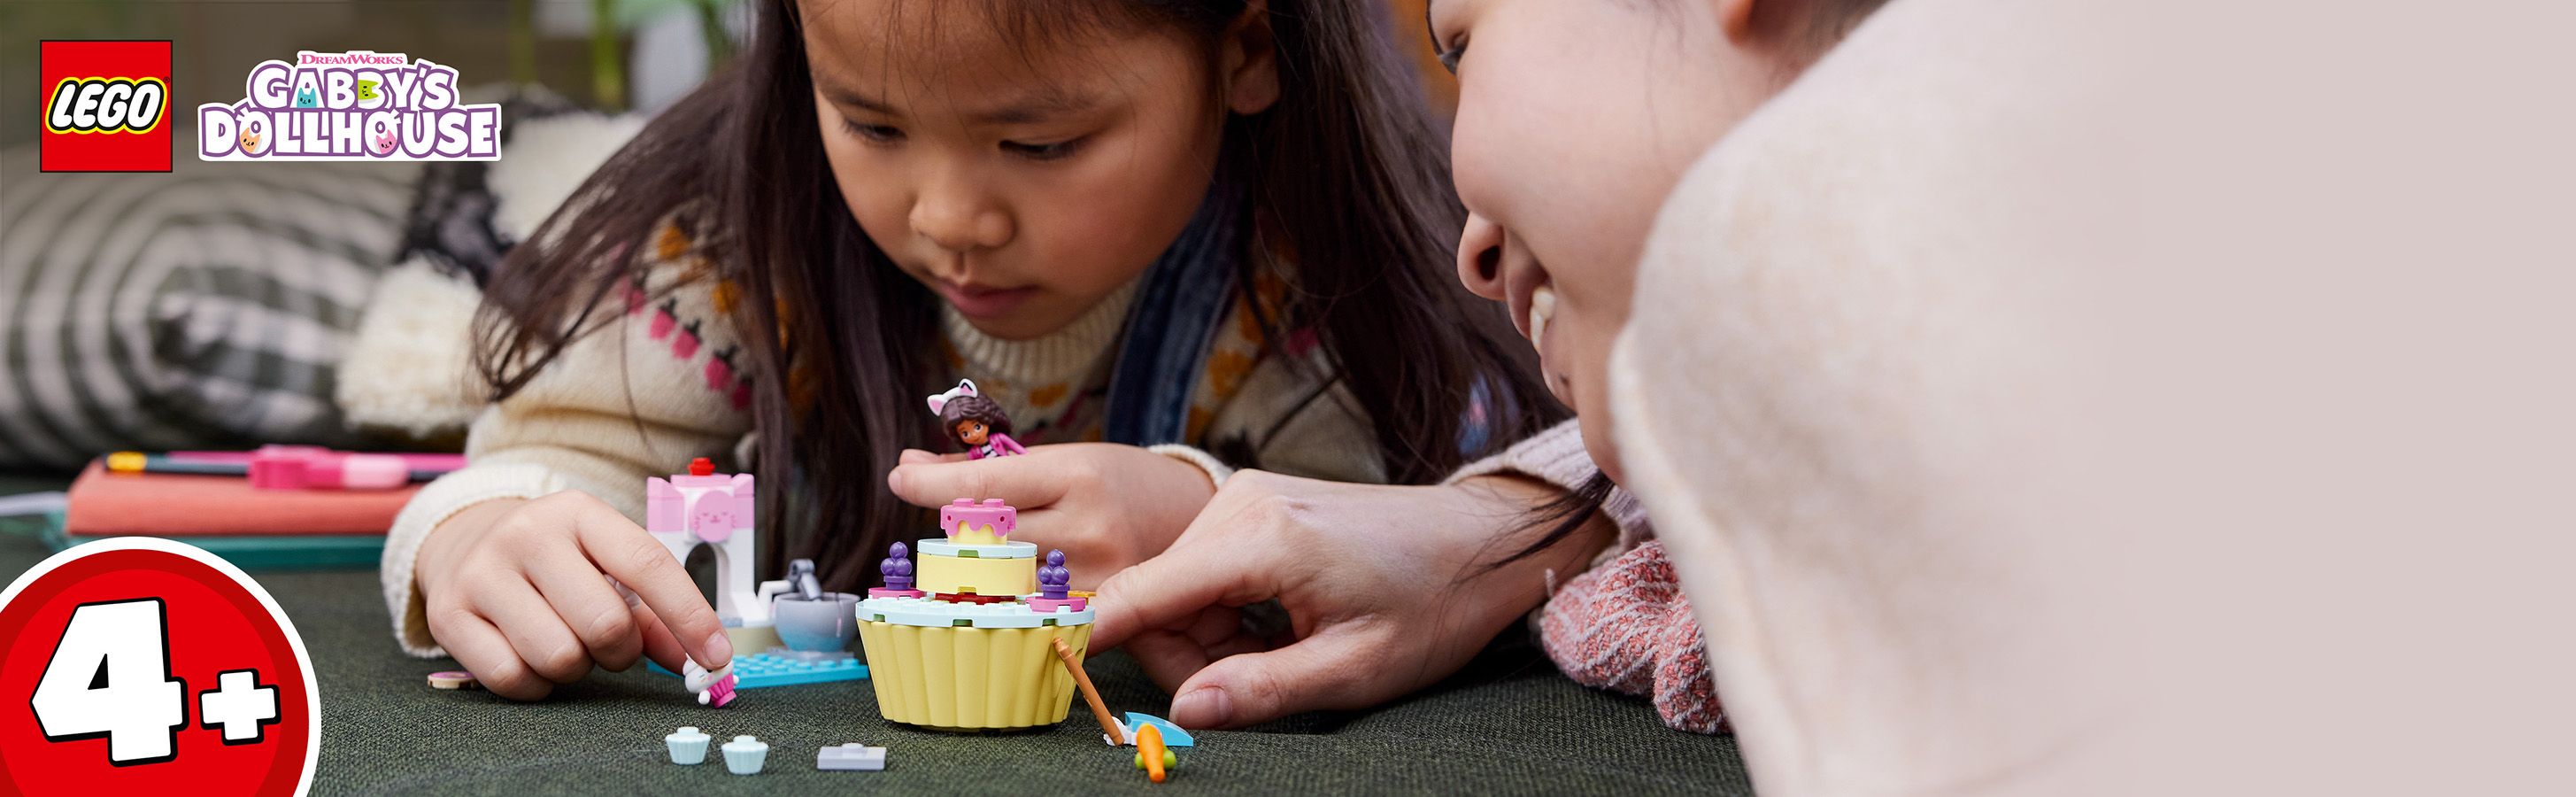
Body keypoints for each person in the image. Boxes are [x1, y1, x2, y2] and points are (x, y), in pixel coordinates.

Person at [382, 0, 1561, 700]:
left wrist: (1206, 512)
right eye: (871, 122)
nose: (949, 219)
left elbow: (1410, 549)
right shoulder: (732, 243)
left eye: (1039, 144)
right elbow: (551, 460)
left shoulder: (1329, 286)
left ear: (1246, 50)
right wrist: (479, 531)